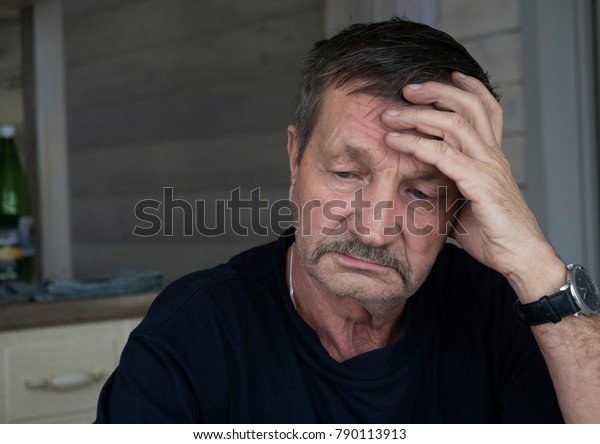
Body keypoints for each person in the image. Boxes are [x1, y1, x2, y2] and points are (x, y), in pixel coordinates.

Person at [95, 18, 600, 423]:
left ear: (460, 204)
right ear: (296, 159)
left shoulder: (506, 315)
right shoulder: (193, 331)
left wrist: (534, 265)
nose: (374, 229)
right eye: (345, 172)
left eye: (422, 193)